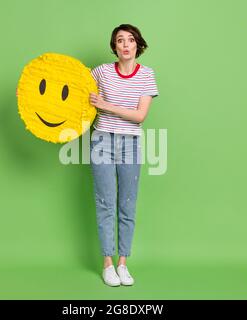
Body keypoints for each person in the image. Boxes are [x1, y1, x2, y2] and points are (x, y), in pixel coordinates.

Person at [89, 24, 159, 286]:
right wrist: (33, 96)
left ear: (137, 45)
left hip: (130, 143)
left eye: (131, 40)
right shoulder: (101, 72)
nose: (126, 44)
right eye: (120, 40)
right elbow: (70, 85)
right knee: (106, 202)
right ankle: (108, 264)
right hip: (102, 141)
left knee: (127, 204)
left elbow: (140, 116)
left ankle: (123, 264)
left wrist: (105, 105)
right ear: (114, 46)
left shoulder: (147, 76)